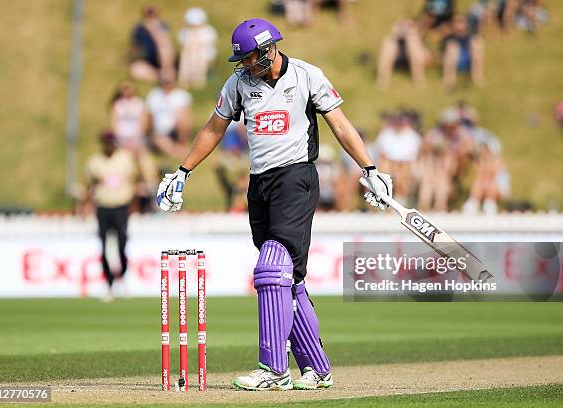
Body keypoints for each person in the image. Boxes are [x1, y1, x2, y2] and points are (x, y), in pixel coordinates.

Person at [155, 18, 392, 390]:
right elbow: (214, 129)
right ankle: (316, 367)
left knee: (270, 268)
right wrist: (183, 171)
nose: (248, 65)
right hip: (260, 182)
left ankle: (273, 369)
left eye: (252, 58)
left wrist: (369, 168)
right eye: (243, 60)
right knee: (288, 279)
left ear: (270, 48)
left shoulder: (306, 75)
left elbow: (341, 125)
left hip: (296, 178)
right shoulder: (238, 84)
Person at [84, 131, 140, 302]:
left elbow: (134, 181)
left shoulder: (124, 159)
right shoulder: (95, 162)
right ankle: (108, 284)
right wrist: (86, 204)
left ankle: (121, 278)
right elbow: (90, 185)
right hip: (103, 207)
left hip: (121, 206)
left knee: (122, 244)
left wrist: (134, 205)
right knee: (105, 247)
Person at [110, 81, 157, 212]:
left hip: (138, 142)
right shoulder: (117, 105)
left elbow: (144, 125)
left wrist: (136, 143)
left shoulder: (139, 104)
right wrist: (124, 144)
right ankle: (120, 200)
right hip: (122, 143)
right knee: (123, 169)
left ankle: (155, 198)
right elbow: (114, 126)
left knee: (148, 168)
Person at [146, 72, 193, 160]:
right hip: (159, 130)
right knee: (159, 138)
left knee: (184, 122)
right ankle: (179, 154)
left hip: (175, 128)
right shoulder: (154, 95)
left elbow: (185, 112)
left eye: (169, 81)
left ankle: (181, 147)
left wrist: (178, 122)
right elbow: (149, 115)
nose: (167, 84)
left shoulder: (181, 95)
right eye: (165, 81)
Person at [129, 4, 176, 82]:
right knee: (136, 69)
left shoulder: (162, 26)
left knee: (164, 50)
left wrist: (154, 30)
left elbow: (167, 45)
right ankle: (161, 77)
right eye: (148, 13)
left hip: (165, 61)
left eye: (152, 12)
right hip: (150, 62)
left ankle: (167, 73)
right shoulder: (140, 29)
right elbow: (135, 47)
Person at [377, 20, 430, 88]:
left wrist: (413, 34)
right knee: (388, 42)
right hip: (402, 53)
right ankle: (382, 81)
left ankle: (419, 81)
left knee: (412, 43)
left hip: (421, 54)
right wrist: (400, 33)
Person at [177, 7, 218, 89]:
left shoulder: (208, 31)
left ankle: (198, 81)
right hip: (189, 56)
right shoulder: (185, 32)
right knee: (186, 56)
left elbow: (207, 48)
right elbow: (184, 47)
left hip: (204, 56)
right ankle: (184, 79)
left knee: (199, 57)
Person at [441, 14, 485, 91]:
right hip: (455, 61)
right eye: (455, 22)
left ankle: (477, 78)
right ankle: (449, 79)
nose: (458, 24)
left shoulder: (472, 36)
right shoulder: (448, 38)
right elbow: (443, 55)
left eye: (460, 21)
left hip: (469, 61)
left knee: (476, 44)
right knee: (452, 47)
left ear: (466, 23)